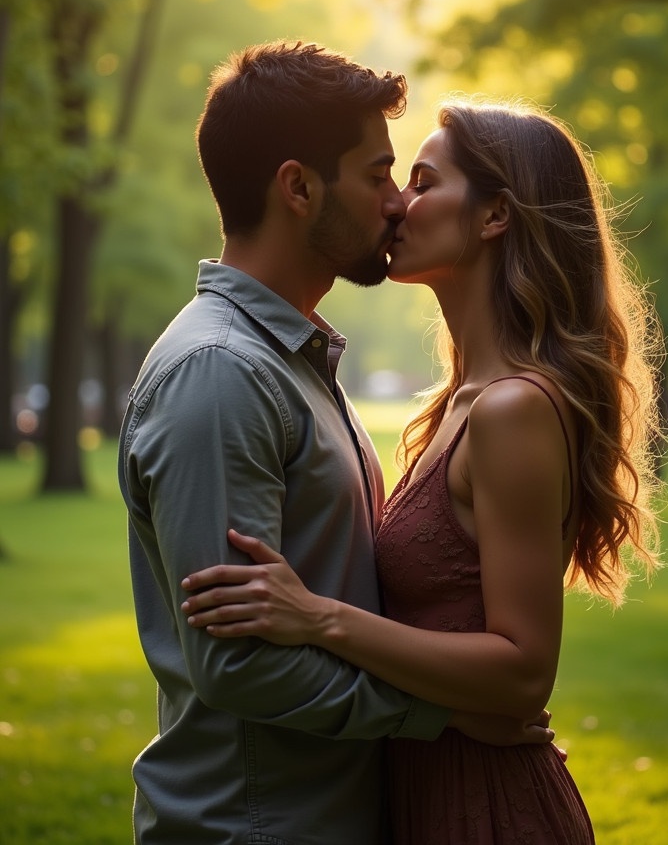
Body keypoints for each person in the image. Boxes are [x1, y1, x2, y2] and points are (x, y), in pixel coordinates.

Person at [180, 98, 666, 844]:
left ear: (494, 215)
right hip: (419, 788)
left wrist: (321, 618)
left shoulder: (512, 411)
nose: (398, 205)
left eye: (422, 181)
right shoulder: (457, 407)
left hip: (486, 807)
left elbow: (523, 672)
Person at [118, 45, 553, 845]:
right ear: (299, 188)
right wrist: (445, 715)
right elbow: (237, 662)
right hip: (256, 825)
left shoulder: (294, 363)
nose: (395, 205)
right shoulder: (221, 375)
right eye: (380, 175)